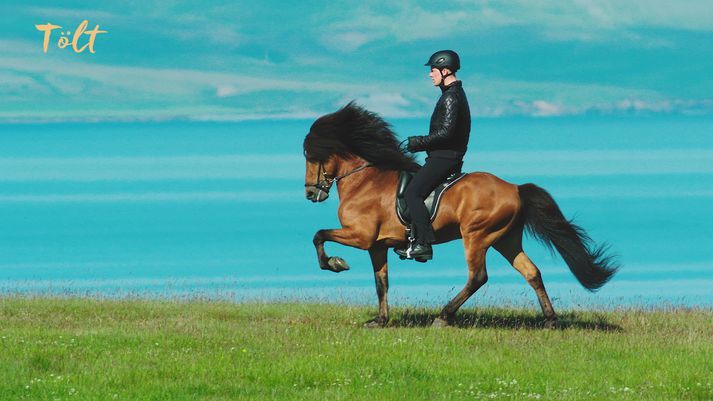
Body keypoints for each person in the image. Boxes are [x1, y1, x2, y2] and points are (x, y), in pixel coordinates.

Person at [395, 50, 471, 261]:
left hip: (444, 157)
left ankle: (423, 244)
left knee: (412, 193)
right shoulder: (452, 94)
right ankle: (413, 237)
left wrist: (417, 142)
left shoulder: (450, 97)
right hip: (444, 155)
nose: (430, 74)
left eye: (433, 70)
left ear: (445, 71)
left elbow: (445, 133)